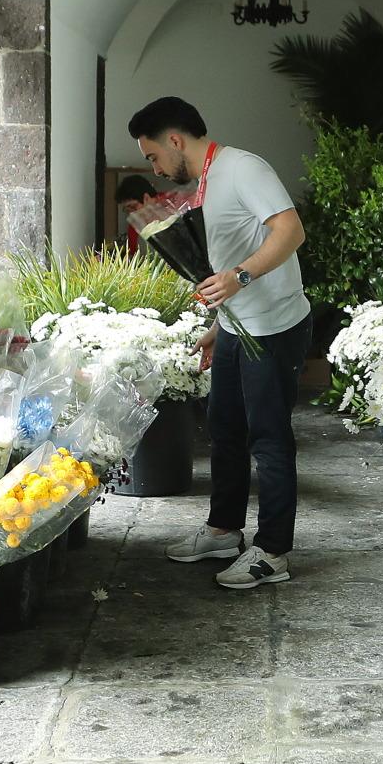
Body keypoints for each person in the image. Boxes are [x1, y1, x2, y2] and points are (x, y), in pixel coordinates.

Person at [127, 96, 311, 589]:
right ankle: (224, 531)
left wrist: (240, 278)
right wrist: (220, 322)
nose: (156, 168)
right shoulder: (206, 180)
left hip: (272, 327)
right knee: (225, 431)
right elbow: (238, 241)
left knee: (269, 441)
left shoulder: (244, 168)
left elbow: (290, 231)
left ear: (174, 140)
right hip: (237, 325)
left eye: (153, 156)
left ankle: (272, 553)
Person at [116, 173, 156, 251]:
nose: (131, 213)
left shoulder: (174, 207)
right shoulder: (134, 227)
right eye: (127, 210)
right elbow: (133, 254)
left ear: (147, 198)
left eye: (133, 207)